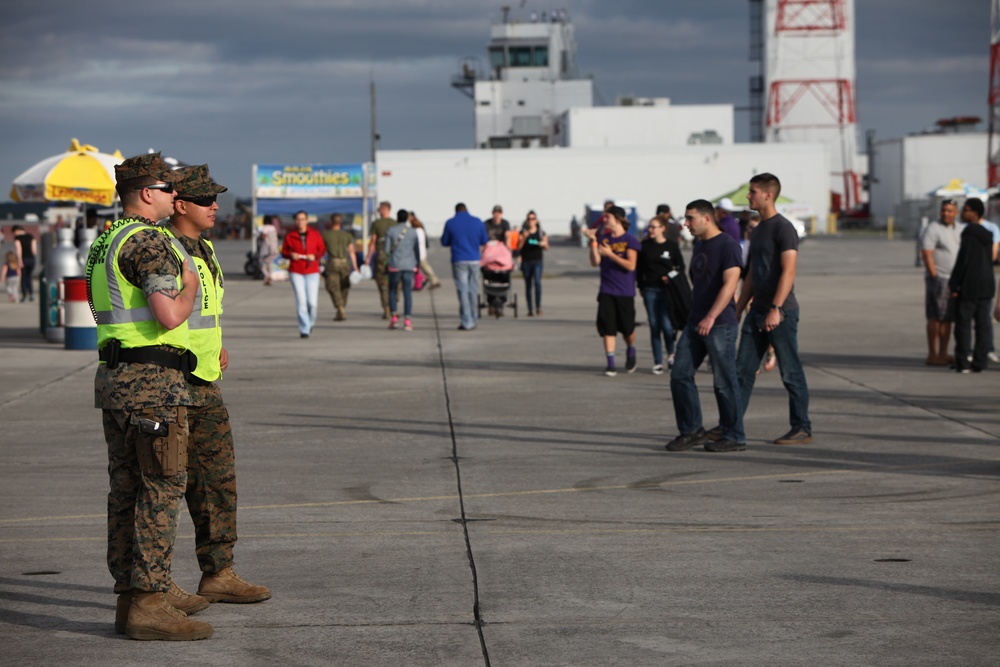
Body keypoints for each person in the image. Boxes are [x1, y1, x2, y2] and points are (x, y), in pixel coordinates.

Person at [85, 152, 212, 640]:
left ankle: (129, 598)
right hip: (153, 385)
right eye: (167, 189)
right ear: (146, 193)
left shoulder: (106, 240)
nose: (175, 197)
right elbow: (169, 316)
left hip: (116, 381)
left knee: (126, 491)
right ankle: (149, 602)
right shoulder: (149, 242)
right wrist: (191, 286)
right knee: (161, 490)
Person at [164, 164, 272, 609]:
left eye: (216, 198)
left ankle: (219, 572)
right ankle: (154, 584)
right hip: (170, 383)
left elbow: (207, 310)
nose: (215, 206)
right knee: (165, 485)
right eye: (206, 199)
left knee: (218, 480)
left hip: (206, 378)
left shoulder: (205, 247)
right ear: (180, 204)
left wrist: (217, 345)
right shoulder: (165, 248)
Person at [734, 172, 812, 446]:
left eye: (752, 191)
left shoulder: (783, 228)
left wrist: (776, 308)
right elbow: (753, 274)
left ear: (768, 194)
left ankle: (802, 427)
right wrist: (739, 307)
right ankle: (731, 427)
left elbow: (788, 272)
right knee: (741, 371)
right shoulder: (757, 231)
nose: (748, 196)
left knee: (790, 372)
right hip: (757, 312)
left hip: (781, 312)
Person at [665, 199, 745, 452]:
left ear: (707, 218)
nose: (685, 223)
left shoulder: (728, 246)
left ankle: (734, 435)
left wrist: (711, 316)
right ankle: (691, 430)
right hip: (695, 322)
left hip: (719, 324)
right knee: (680, 374)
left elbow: (730, 285)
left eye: (690, 218)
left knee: (724, 381)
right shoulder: (700, 244)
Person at [582, 205, 640, 376]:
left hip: (625, 291)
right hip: (607, 289)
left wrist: (611, 254)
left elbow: (631, 265)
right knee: (608, 327)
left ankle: (631, 349)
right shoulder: (604, 238)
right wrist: (593, 243)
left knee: (628, 329)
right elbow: (595, 262)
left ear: (617, 219)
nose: (603, 220)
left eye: (607, 217)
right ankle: (611, 363)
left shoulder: (630, 240)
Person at [637, 215, 688, 374]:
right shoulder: (644, 245)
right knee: (654, 325)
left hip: (667, 291)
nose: (651, 230)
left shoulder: (671, 246)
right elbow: (639, 269)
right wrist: (641, 287)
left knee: (667, 325)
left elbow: (680, 266)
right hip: (650, 290)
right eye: (650, 227)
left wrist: (669, 276)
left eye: (654, 227)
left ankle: (671, 354)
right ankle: (657, 361)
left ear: (663, 229)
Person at [949, 198, 996, 373]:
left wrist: (954, 284)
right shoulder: (987, 234)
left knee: (963, 324)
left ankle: (962, 362)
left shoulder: (969, 233)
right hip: (986, 285)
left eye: (966, 209)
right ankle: (980, 361)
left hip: (970, 285)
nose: (963, 212)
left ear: (975, 213)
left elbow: (963, 260)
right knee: (982, 325)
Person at [919, 199, 965, 366]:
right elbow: (927, 253)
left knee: (947, 318)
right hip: (939, 278)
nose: (946, 213)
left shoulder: (960, 229)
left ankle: (943, 353)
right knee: (935, 317)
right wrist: (934, 275)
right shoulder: (933, 229)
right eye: (944, 210)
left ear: (956, 212)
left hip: (954, 280)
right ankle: (933, 354)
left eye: (950, 211)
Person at [441, 202, 488, 331]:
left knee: (463, 290)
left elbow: (444, 241)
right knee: (473, 289)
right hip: (474, 259)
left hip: (459, 259)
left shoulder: (450, 223)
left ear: (455, 211)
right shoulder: (477, 221)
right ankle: (474, 318)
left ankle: (466, 320)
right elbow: (484, 240)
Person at [281, 211, 327, 338]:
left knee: (312, 303)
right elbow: (284, 251)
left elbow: (322, 249)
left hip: (312, 270)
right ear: (295, 221)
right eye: (298, 219)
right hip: (296, 270)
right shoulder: (290, 236)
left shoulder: (315, 234)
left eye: (302, 219)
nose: (300, 222)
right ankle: (304, 328)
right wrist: (291, 255)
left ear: (307, 220)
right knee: (301, 300)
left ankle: (310, 322)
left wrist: (315, 256)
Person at [385, 208, 420, 331]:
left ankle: (394, 317)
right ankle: (407, 320)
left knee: (393, 290)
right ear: (407, 219)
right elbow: (417, 250)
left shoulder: (391, 231)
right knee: (407, 292)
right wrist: (417, 263)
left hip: (395, 264)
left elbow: (387, 250)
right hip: (409, 265)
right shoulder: (412, 232)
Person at [321, 213, 359, 321]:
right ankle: (341, 306)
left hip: (332, 262)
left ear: (331, 222)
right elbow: (352, 252)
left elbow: (321, 251)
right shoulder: (347, 235)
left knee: (332, 286)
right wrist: (355, 266)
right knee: (344, 286)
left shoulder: (326, 235)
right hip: (344, 262)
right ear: (340, 222)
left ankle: (340, 306)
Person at [366, 201, 396, 319]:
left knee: (382, 282)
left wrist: (368, 257)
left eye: (380, 209)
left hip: (381, 254)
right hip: (393, 255)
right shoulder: (395, 223)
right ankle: (392, 305)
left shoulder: (376, 223)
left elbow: (373, 241)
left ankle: (387, 308)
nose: (379, 211)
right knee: (394, 281)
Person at [517, 211, 548, 316]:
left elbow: (546, 246)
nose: (531, 221)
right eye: (529, 219)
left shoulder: (540, 232)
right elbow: (519, 247)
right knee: (528, 285)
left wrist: (543, 244)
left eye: (533, 218)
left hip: (537, 260)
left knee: (538, 283)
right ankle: (530, 308)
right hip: (526, 261)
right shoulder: (523, 232)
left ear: (536, 220)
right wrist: (524, 237)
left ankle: (538, 307)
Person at [409, 211, 441, 289]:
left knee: (425, 267)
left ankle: (432, 280)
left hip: (418, 253)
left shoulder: (415, 231)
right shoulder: (420, 229)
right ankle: (425, 279)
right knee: (422, 267)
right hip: (420, 252)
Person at [12, 224, 36, 302]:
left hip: (23, 259)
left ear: (15, 231)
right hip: (31, 259)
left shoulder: (17, 238)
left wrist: (19, 260)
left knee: (23, 277)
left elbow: (19, 250)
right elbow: (34, 250)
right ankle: (31, 294)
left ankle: (25, 295)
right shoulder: (31, 236)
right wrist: (32, 257)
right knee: (29, 277)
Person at [257, 215, 281, 286]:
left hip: (267, 249)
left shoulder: (265, 227)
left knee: (261, 263)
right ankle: (269, 278)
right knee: (270, 264)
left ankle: (267, 276)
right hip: (275, 248)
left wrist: (259, 236)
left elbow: (263, 236)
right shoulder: (273, 228)